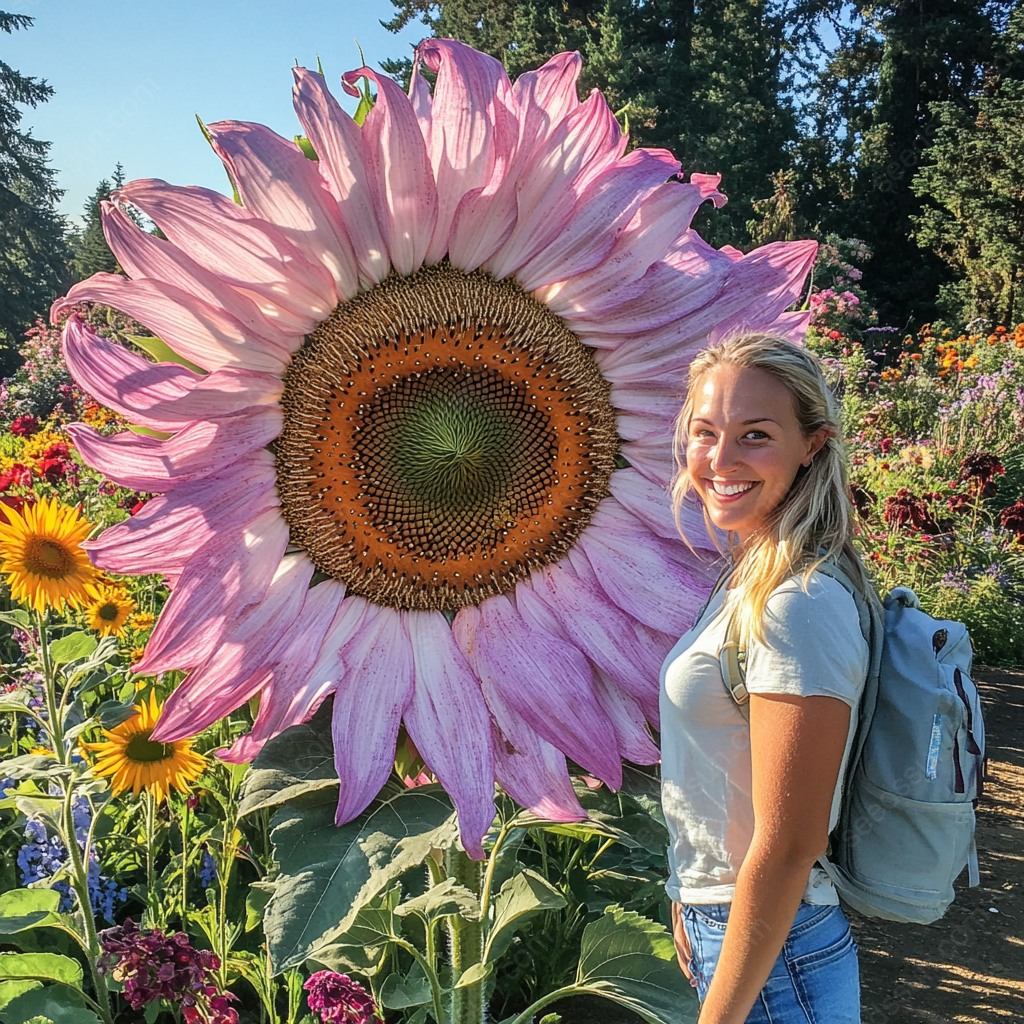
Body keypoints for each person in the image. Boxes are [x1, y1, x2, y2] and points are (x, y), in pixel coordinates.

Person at [660, 332, 876, 1023]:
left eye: (754, 435)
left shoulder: (798, 605)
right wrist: (686, 893)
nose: (719, 460)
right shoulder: (754, 577)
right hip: (738, 931)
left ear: (812, 443)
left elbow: (791, 844)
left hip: (773, 955)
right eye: (704, 433)